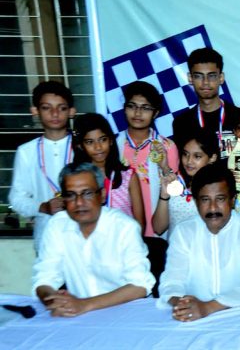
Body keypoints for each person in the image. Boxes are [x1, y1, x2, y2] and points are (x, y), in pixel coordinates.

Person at [32, 162, 155, 317]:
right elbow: (44, 278)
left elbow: (140, 285)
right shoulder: (56, 225)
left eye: (87, 193)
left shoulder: (124, 227)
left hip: (127, 315)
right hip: (80, 317)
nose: (79, 202)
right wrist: (54, 300)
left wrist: (85, 304)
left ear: (102, 195)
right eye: (70, 195)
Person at [157, 164, 240, 322]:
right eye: (205, 200)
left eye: (220, 199)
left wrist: (207, 308)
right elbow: (171, 281)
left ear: (232, 200)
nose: (213, 207)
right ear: (196, 202)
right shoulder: (183, 232)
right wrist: (181, 304)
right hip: (192, 317)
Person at [10, 81, 75, 250]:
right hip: (47, 236)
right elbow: (16, 198)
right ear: (35, 111)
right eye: (47, 108)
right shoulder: (26, 151)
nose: (55, 114)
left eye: (61, 108)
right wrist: (42, 207)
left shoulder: (83, 146)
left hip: (82, 232)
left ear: (71, 112)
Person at [116, 81, 180, 237]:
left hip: (156, 233)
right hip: (120, 233)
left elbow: (177, 193)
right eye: (132, 106)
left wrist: (165, 168)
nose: (137, 113)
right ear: (125, 109)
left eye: (145, 108)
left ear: (155, 113)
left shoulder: (167, 147)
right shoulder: (113, 145)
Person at [73, 113, 145, 225]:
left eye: (103, 139)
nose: (98, 147)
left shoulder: (128, 177)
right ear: (81, 146)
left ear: (111, 140)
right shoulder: (77, 180)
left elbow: (139, 224)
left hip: (125, 241)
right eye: (90, 142)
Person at [172, 47, 239, 157]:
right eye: (198, 76)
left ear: (221, 78)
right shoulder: (182, 123)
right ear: (190, 78)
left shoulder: (238, 117)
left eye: (211, 76)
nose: (205, 82)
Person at [153, 129, 219, 236]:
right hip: (175, 250)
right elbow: (158, 228)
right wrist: (164, 196)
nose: (189, 161)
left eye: (197, 156)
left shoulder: (219, 188)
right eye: (185, 154)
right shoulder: (175, 183)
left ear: (212, 158)